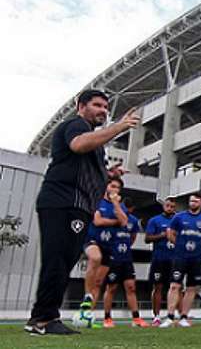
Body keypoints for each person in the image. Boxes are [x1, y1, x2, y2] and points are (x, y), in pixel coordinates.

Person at [27, 90, 138, 336]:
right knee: (57, 260)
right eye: (97, 105)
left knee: (63, 261)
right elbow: (78, 145)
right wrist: (119, 127)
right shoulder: (76, 125)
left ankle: (42, 317)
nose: (103, 111)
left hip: (78, 206)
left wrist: (110, 175)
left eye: (106, 107)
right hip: (63, 202)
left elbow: (85, 166)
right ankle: (44, 320)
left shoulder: (95, 142)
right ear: (81, 106)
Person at [160, 192, 201, 328]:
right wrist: (179, 244)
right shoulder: (179, 217)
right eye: (191, 201)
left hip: (196, 258)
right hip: (180, 257)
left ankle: (184, 317)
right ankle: (170, 316)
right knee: (175, 285)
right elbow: (170, 233)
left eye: (195, 201)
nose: (192, 203)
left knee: (191, 288)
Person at [81, 176, 128, 319]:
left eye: (117, 188)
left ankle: (86, 314)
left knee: (99, 282)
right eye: (112, 186)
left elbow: (124, 222)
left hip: (109, 245)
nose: (114, 189)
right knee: (95, 257)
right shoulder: (97, 200)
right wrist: (116, 222)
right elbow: (98, 221)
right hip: (93, 240)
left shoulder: (119, 206)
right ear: (106, 186)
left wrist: (116, 204)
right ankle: (87, 294)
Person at [103, 197, 147, 328]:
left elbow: (132, 237)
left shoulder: (133, 221)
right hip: (113, 259)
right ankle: (107, 318)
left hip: (126, 259)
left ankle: (136, 318)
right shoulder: (113, 217)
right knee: (111, 288)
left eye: (128, 209)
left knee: (131, 287)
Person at [145, 197, 178, 326]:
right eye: (168, 205)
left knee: (175, 287)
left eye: (172, 206)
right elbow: (147, 238)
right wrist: (163, 235)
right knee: (157, 287)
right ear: (164, 206)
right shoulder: (155, 220)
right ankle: (156, 316)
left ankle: (173, 315)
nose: (170, 208)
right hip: (159, 258)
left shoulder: (179, 220)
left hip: (175, 259)